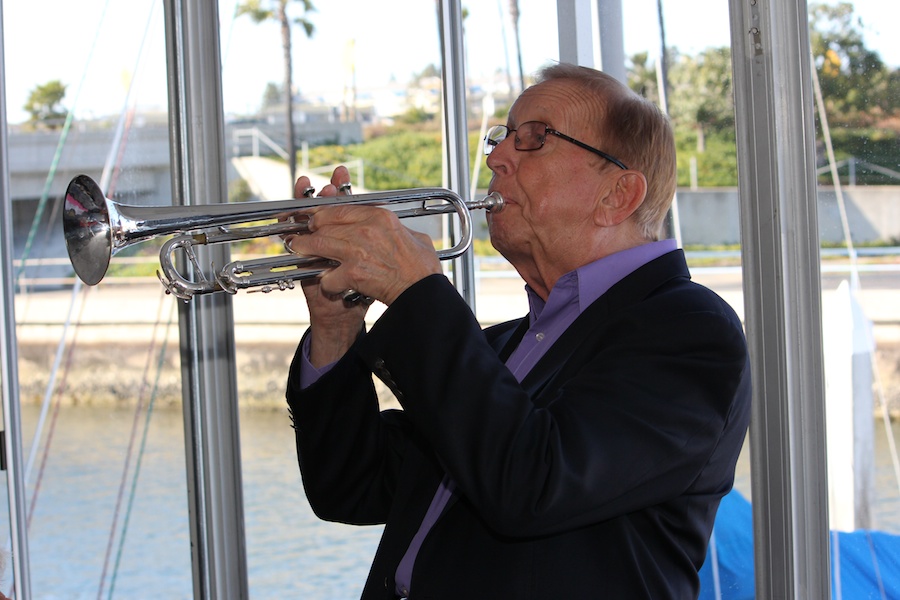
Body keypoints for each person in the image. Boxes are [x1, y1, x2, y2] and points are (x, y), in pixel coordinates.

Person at [283, 62, 751, 599]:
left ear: (617, 194)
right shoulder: (501, 346)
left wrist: (419, 292)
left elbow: (535, 483)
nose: (496, 157)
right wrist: (336, 326)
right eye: (502, 137)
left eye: (533, 139)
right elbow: (352, 489)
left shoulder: (689, 330)